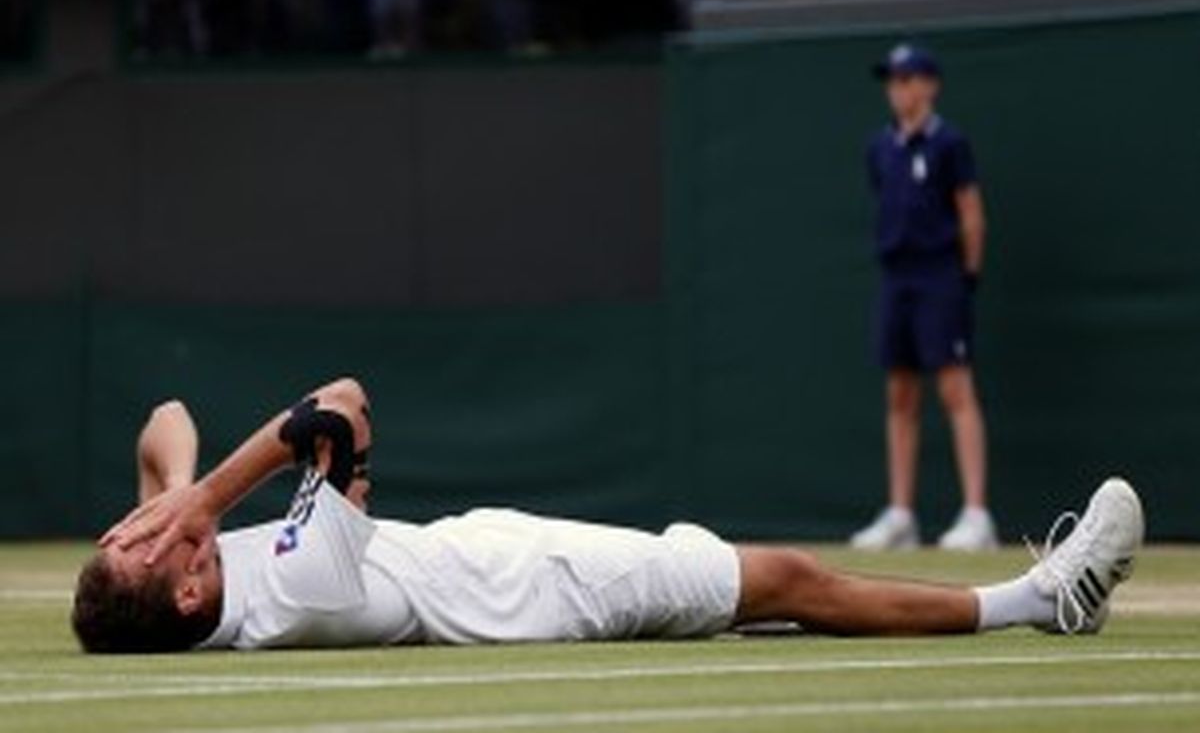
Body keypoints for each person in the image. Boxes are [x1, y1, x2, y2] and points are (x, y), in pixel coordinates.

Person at [74, 377, 1142, 653]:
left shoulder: (174, 576)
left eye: (121, 528)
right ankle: (1047, 598)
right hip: (539, 589)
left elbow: (162, 421)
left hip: (499, 553)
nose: (136, 527)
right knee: (788, 576)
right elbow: (341, 405)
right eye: (143, 541)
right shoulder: (284, 591)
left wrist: (168, 495)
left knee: (771, 591)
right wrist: (206, 495)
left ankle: (1035, 596)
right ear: (187, 584)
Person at [852, 43, 996, 552]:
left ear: (930, 84)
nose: (899, 89)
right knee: (900, 395)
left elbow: (971, 212)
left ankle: (977, 515)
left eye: (908, 79)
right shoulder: (880, 148)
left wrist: (966, 276)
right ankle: (901, 515)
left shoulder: (950, 144)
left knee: (956, 390)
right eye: (893, 80)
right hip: (897, 279)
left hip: (941, 277)